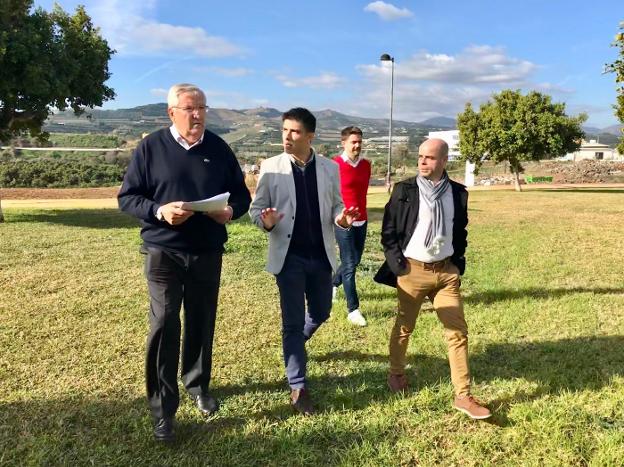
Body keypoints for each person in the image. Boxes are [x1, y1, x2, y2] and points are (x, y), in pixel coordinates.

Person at [118, 83, 251, 441]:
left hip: (207, 251)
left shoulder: (219, 148)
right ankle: (163, 410)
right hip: (164, 250)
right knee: (164, 322)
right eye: (190, 108)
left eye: (202, 108)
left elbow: (242, 195)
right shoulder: (151, 148)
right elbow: (128, 197)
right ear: (171, 112)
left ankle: (197, 385)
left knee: (201, 319)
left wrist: (231, 211)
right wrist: (159, 210)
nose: (198, 115)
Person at [249, 108, 359, 416]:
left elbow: (336, 204)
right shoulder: (271, 167)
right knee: (292, 322)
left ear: (310, 136)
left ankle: (296, 344)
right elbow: (255, 209)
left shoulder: (329, 168)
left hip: (321, 256)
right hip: (289, 258)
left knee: (322, 312)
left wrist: (341, 218)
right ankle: (298, 386)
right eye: (284, 130)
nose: (287, 136)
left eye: (294, 131)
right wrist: (266, 221)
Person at [374, 138, 491, 420]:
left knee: (457, 332)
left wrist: (456, 264)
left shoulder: (458, 193)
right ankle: (396, 373)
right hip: (411, 271)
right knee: (404, 327)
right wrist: (398, 266)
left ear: (444, 161)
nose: (423, 162)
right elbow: (388, 231)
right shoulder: (405, 190)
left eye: (430, 157)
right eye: (420, 157)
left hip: (446, 273)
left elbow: (460, 230)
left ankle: (463, 395)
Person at [332, 126, 371, 326]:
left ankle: (332, 284)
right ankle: (353, 310)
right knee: (349, 264)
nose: (357, 145)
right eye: (353, 142)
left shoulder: (366, 165)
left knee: (355, 260)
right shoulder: (334, 165)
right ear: (344, 143)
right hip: (343, 221)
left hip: (362, 219)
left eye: (359, 142)